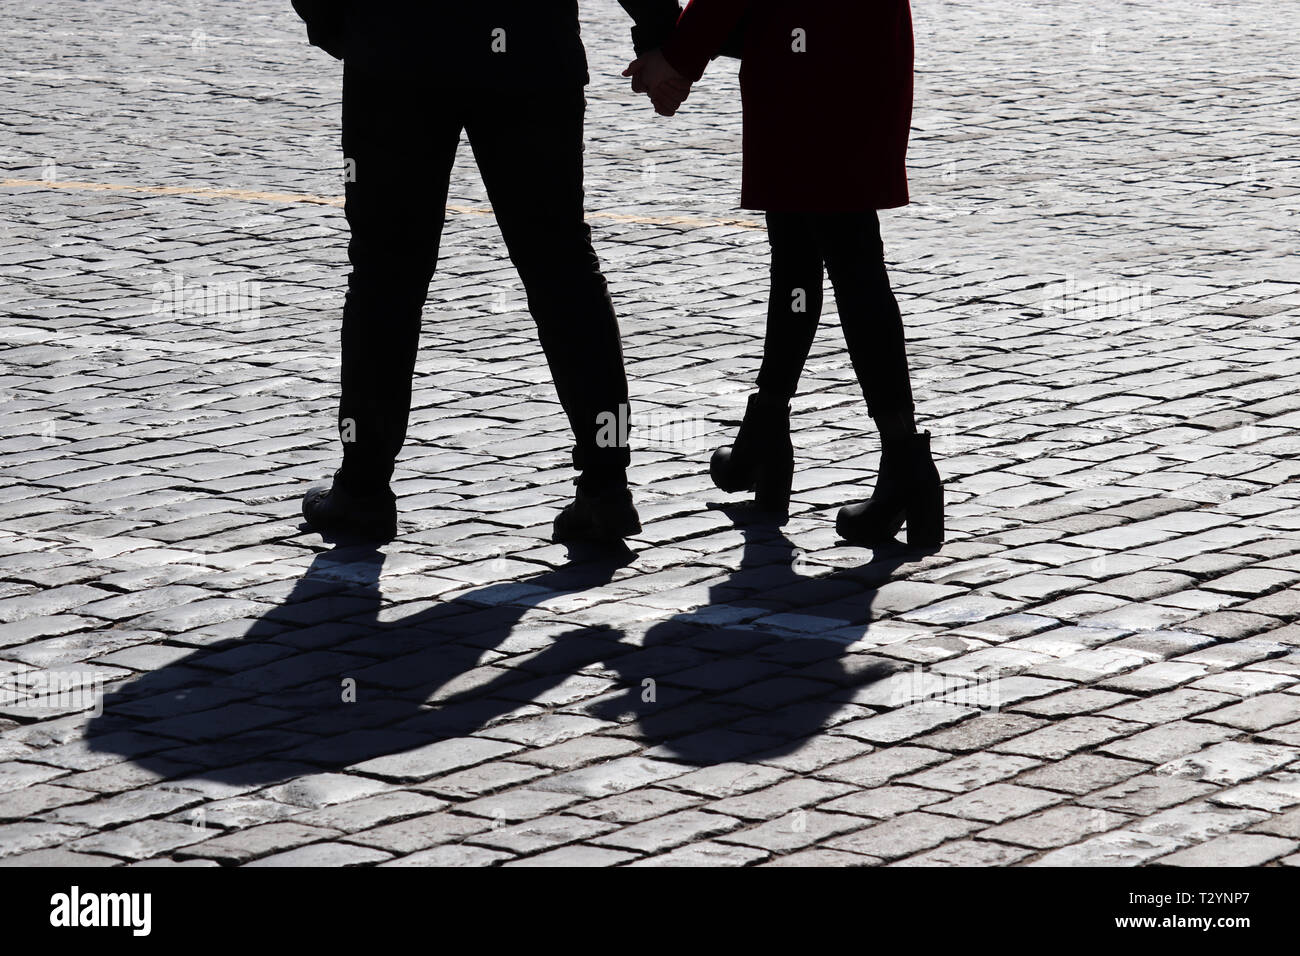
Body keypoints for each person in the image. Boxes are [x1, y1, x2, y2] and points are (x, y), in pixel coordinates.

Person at [290, 0, 682, 544]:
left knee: (386, 273)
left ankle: (362, 485)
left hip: (399, 51)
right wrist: (663, 33)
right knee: (562, 266)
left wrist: (343, 24)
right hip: (528, 49)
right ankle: (606, 484)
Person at [626, 0, 944, 548]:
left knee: (843, 260)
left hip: (806, 65)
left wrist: (677, 55)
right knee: (813, 252)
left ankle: (897, 461)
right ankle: (770, 436)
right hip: (856, 45)